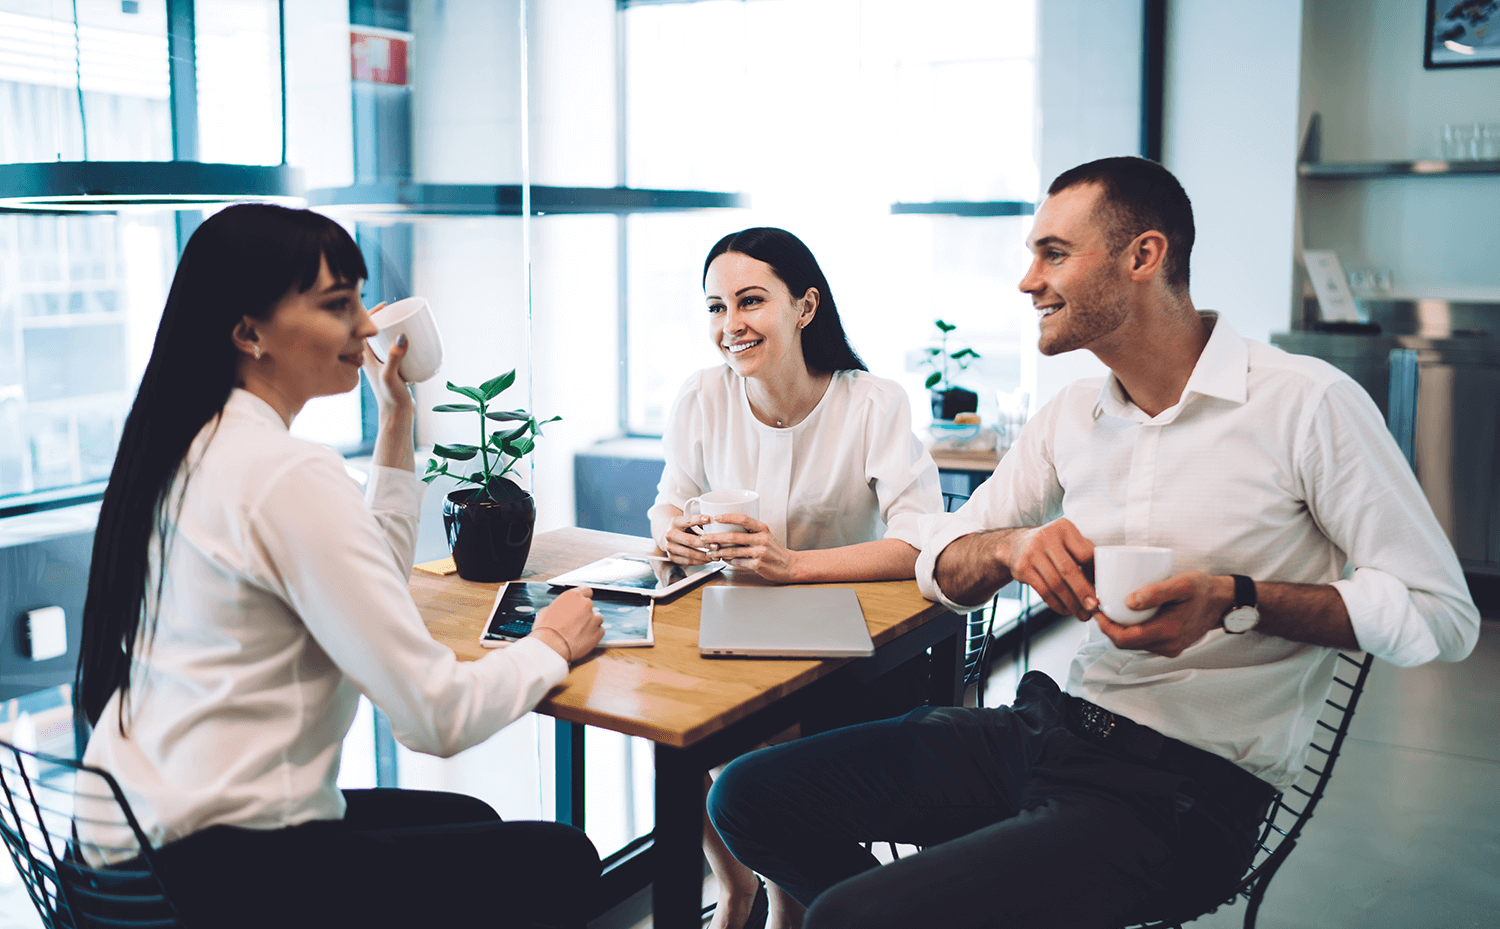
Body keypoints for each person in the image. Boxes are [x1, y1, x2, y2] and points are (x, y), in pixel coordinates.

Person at [706, 158, 1480, 929]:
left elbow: (1440, 614)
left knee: (850, 918)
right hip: (1051, 731)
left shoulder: (1307, 405)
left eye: (1053, 254)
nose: (1026, 281)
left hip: (1185, 793)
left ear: (1143, 257)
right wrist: (1011, 549)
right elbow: (939, 557)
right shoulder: (1071, 416)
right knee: (743, 797)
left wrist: (1234, 601)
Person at [75, 204, 606, 929]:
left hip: (125, 857)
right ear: (248, 331)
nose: (366, 325)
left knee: (468, 816)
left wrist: (396, 422)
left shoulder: (189, 446)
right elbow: (432, 718)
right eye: (337, 304)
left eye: (359, 299)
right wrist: (551, 645)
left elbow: (371, 584)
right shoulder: (283, 472)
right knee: (559, 860)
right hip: (222, 880)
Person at [649, 227, 943, 929]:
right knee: (671, 717)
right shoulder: (702, 397)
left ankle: (779, 893)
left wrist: (790, 566)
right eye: (716, 307)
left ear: (805, 307)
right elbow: (668, 498)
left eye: (750, 301)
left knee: (751, 732)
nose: (730, 325)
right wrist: (671, 530)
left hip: (852, 653)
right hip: (736, 632)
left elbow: (916, 541)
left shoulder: (873, 403)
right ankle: (737, 884)